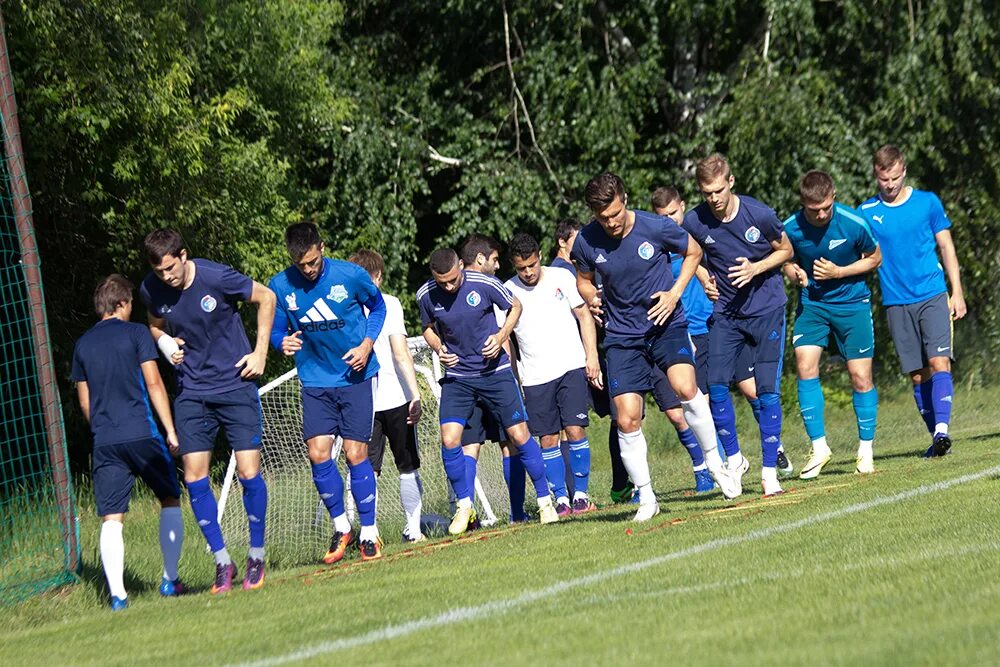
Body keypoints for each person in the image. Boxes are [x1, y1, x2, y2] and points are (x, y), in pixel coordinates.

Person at [572, 172, 740, 522]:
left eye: (616, 214)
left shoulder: (654, 227)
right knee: (627, 419)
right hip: (622, 337)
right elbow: (584, 281)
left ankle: (714, 460)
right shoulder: (586, 242)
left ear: (625, 199)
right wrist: (591, 297)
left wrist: (674, 292)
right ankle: (647, 496)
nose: (612, 222)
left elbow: (693, 251)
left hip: (666, 325)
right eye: (603, 218)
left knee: (685, 387)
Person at [141, 229, 275, 593]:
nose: (166, 277)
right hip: (192, 393)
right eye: (159, 272)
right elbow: (153, 324)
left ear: (183, 255)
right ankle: (222, 562)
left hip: (235, 386)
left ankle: (257, 555)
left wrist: (261, 352)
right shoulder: (152, 289)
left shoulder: (216, 276)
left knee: (249, 473)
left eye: (170, 268)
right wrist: (164, 339)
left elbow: (266, 297)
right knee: (194, 479)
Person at [417, 247, 558, 534]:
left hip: (495, 373)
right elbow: (428, 328)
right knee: (450, 438)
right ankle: (464, 506)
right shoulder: (425, 294)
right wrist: (438, 347)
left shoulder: (484, 284)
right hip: (458, 377)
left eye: (453, 279)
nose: (448, 286)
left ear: (461, 265)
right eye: (441, 281)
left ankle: (545, 501)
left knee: (519, 435)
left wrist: (501, 335)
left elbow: (515, 306)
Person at [268, 223, 387, 562]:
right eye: (300, 264)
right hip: (316, 380)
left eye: (312, 261)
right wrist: (281, 341)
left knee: (355, 454)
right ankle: (342, 527)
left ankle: (369, 533)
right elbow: (277, 329)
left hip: (356, 375)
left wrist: (367, 344)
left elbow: (378, 308)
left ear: (322, 247)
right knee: (318, 454)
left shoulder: (350, 275)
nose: (307, 269)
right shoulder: (280, 285)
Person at [682, 154, 794, 497]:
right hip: (727, 314)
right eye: (706, 193)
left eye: (718, 190)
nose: (713, 198)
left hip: (767, 310)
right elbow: (690, 253)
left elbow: (786, 250)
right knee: (714, 386)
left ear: (731, 182)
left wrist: (755, 269)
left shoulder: (758, 214)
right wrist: (702, 276)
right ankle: (735, 460)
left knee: (765, 390)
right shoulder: (695, 221)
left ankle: (769, 471)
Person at [72, 275, 185, 610]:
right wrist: (171, 429)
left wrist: (102, 430)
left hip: (105, 440)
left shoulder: (83, 345)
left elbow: (84, 402)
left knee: (111, 517)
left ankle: (118, 597)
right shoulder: (136, 333)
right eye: (131, 303)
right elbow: (153, 383)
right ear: (122, 304)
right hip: (143, 434)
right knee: (169, 499)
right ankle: (170, 579)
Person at [858, 145, 966, 457]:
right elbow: (856, 251)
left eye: (893, 178)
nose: (889, 185)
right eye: (883, 179)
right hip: (896, 302)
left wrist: (956, 292)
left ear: (903, 172)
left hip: (932, 294)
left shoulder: (927, 202)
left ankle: (943, 430)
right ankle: (937, 439)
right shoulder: (866, 213)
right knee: (918, 374)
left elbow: (946, 247)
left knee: (939, 362)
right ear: (875, 176)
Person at [783, 170, 882, 477]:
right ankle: (819, 447)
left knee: (860, 376)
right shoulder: (790, 228)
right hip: (813, 305)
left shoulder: (853, 223)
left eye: (827, 207)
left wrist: (840, 272)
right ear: (803, 204)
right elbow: (784, 258)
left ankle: (865, 450)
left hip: (852, 304)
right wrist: (793, 272)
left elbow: (875, 258)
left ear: (833, 197)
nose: (822, 213)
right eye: (815, 210)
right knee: (805, 365)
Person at [505, 232, 601, 514]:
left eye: (532, 265)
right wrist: (515, 377)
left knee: (574, 429)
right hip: (535, 376)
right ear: (514, 266)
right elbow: (506, 339)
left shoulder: (561, 278)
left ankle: (581, 494)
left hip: (571, 366)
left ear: (539, 258)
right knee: (547, 437)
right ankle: (560, 498)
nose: (528, 272)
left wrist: (591, 357)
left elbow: (584, 316)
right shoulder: (508, 291)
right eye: (522, 268)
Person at [348, 248, 426, 543]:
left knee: (365, 468)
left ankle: (369, 533)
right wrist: (415, 394)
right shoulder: (389, 303)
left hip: (360, 398)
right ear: (378, 276)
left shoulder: (346, 307)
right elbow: (400, 353)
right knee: (407, 466)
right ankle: (414, 529)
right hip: (396, 397)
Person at [457, 233, 529, 522]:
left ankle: (467, 513)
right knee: (510, 441)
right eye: (496, 260)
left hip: (467, 379)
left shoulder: (450, 289)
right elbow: (507, 333)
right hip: (491, 378)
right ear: (480, 259)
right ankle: (514, 513)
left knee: (469, 446)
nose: (498, 266)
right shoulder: (490, 288)